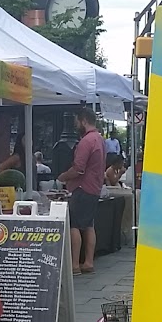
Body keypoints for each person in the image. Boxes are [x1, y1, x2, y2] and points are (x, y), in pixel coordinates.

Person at [58, 107, 105, 274]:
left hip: (82, 188)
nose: (76, 124)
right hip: (95, 188)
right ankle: (89, 262)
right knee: (89, 225)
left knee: (75, 225)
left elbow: (78, 168)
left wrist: (63, 176)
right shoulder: (99, 139)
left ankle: (75, 264)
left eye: (77, 121)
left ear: (83, 120)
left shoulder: (86, 141)